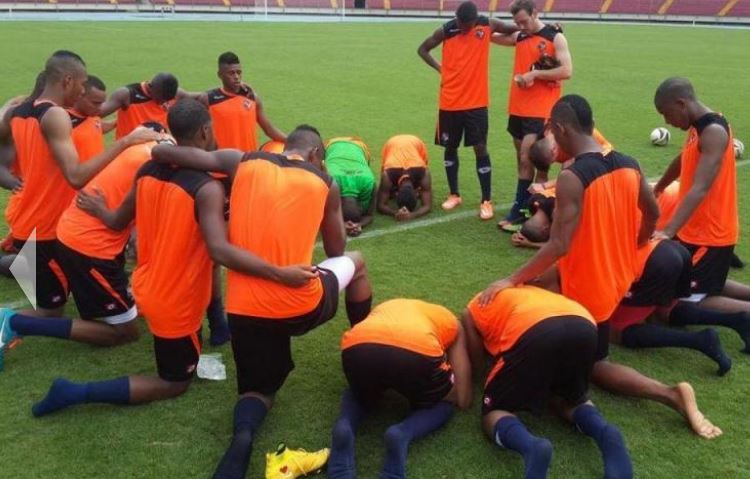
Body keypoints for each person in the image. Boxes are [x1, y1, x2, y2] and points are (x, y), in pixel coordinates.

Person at [24, 99, 305, 416]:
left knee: (176, 345)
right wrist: (280, 273)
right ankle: (74, 392)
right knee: (174, 382)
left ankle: (206, 336)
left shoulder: (148, 169)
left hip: (147, 284)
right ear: (205, 131)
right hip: (176, 300)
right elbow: (218, 251)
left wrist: (101, 209)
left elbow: (119, 220)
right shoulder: (208, 188)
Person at [478, 94, 721, 439]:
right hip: (614, 274)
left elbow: (558, 244)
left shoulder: (572, 176)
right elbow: (651, 213)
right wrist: (635, 243)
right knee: (533, 290)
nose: (550, 143)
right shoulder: (629, 162)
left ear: (561, 129)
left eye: (550, 134)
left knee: (594, 365)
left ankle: (669, 394)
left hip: (589, 287)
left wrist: (509, 277)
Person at [148, 124, 373, 479]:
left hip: (244, 311)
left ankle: (243, 438)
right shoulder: (325, 183)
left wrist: (157, 143)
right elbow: (335, 250)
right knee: (356, 263)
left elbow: (163, 153)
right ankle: (365, 342)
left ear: (286, 146)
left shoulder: (241, 160)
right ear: (316, 156)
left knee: (258, 389)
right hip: (300, 304)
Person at [0, 51, 159, 319]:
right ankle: (7, 322)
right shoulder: (55, 116)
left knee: (64, 278)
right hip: (46, 228)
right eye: (81, 83)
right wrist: (126, 142)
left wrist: (13, 178)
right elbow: (75, 176)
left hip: (38, 222)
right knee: (51, 311)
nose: (83, 89)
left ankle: (16, 266)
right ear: (67, 80)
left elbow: (6, 149)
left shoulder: (17, 112)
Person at [0, 122, 166, 357]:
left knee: (69, 289)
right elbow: (122, 223)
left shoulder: (143, 150)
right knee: (124, 332)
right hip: (86, 244)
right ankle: (14, 322)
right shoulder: (155, 164)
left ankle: (14, 268)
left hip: (71, 231)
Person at [464, 285, 632, 479]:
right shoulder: (530, 293)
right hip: (584, 324)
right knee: (571, 399)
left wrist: (480, 376)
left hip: (535, 329)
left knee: (493, 411)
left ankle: (531, 446)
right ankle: (604, 430)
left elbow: (474, 346)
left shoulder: (475, 306)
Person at [327, 299, 471, 479]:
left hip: (358, 344)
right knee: (446, 402)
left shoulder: (389, 305)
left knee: (359, 393)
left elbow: (383, 349)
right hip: (418, 349)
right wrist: (456, 393)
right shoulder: (452, 322)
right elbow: (462, 397)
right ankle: (402, 433)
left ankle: (344, 424)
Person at [653, 77, 750, 315]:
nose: (667, 121)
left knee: (686, 301)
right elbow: (682, 159)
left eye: (667, 113)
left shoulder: (713, 131)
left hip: (711, 235)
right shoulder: (698, 127)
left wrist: (668, 230)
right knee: (698, 282)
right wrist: (659, 187)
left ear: (681, 103)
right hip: (695, 230)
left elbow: (701, 187)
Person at [418, 0, 517, 220]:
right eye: (462, 24)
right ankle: (454, 194)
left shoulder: (486, 24)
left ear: (474, 20)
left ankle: (486, 200)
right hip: (450, 102)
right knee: (449, 147)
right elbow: (422, 49)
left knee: (480, 148)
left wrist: (543, 26)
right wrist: (440, 68)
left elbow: (514, 27)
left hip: (476, 103)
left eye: (468, 25)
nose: (464, 28)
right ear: (457, 18)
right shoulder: (447, 29)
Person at [492, 0, 572, 229]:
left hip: (541, 110)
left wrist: (535, 75)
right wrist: (505, 27)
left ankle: (520, 210)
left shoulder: (555, 37)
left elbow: (567, 70)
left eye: (524, 21)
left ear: (536, 13)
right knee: (523, 161)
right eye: (517, 22)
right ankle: (537, 208)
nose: (521, 26)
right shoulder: (520, 36)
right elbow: (492, 35)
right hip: (517, 108)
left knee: (530, 159)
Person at [202, 51, 286, 151]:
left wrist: (293, 142)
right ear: (220, 75)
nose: (236, 77)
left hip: (249, 161)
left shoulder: (252, 97)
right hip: (222, 163)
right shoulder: (209, 99)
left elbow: (269, 129)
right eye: (231, 73)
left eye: (239, 72)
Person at [100, 72, 179, 139]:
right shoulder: (127, 94)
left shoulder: (167, 93)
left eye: (167, 100)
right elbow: (96, 112)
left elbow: (190, 97)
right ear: (151, 88)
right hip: (129, 153)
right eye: (160, 99)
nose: (163, 103)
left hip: (156, 151)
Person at [324, 136, 376, 236]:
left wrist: (357, 224)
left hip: (356, 146)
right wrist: (357, 224)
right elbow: (370, 214)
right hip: (333, 145)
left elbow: (370, 215)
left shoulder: (369, 181)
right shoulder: (370, 182)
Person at [376, 134, 432, 222]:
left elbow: (428, 206)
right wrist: (396, 213)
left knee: (385, 190)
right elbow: (380, 205)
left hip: (416, 143)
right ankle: (391, 190)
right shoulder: (387, 174)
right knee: (385, 190)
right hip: (392, 143)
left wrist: (410, 215)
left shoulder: (424, 171)